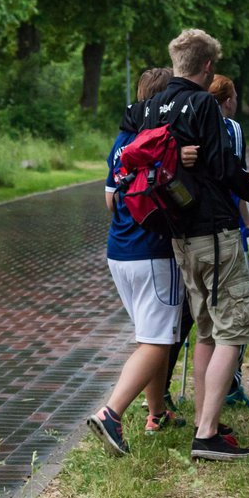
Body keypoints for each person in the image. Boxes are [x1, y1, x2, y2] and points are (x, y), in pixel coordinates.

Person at [141, 29, 249, 461]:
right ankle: (207, 433)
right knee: (234, 326)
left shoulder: (151, 106)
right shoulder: (204, 104)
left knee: (206, 329)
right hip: (214, 232)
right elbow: (229, 171)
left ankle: (202, 420)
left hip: (178, 237)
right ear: (208, 68)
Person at [86, 67, 186, 456]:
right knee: (157, 341)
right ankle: (112, 413)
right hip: (154, 252)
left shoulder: (123, 139)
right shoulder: (167, 137)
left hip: (119, 251)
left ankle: (157, 414)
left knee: (151, 336)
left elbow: (111, 200)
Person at [208, 74, 249, 407]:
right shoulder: (233, 129)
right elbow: (239, 180)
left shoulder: (184, 124)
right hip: (226, 231)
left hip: (190, 233)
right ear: (228, 100)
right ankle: (230, 382)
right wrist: (248, 222)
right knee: (246, 300)